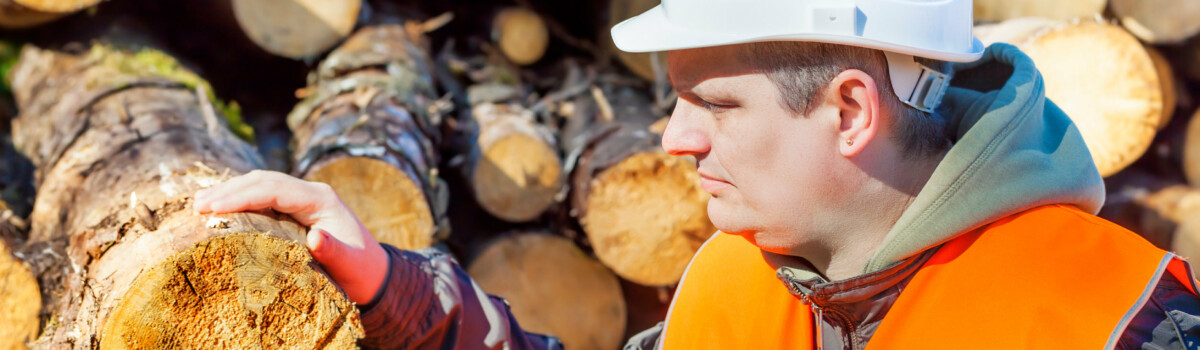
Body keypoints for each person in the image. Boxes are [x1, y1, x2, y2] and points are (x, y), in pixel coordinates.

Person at [195, 0, 1200, 348]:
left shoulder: (1119, 322)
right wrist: (394, 288)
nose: (673, 140)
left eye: (715, 104)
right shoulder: (747, 277)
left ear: (850, 109)